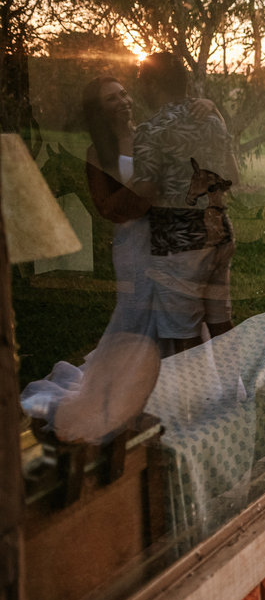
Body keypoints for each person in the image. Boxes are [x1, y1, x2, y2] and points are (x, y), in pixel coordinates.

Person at [21, 77, 160, 442]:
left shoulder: (151, 135)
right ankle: (116, 391)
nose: (123, 101)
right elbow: (106, 208)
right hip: (131, 244)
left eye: (124, 93)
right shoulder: (98, 153)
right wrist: (149, 196)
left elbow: (171, 185)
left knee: (171, 308)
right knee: (134, 313)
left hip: (165, 241)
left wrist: (139, 198)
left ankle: (164, 382)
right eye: (111, 99)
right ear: (99, 111)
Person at [128, 53, 238, 356]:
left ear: (150, 83)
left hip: (180, 243)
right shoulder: (213, 122)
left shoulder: (150, 129)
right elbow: (233, 176)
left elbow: (147, 190)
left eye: (141, 83)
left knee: (183, 336)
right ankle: (237, 397)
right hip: (220, 233)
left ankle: (192, 402)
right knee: (220, 322)